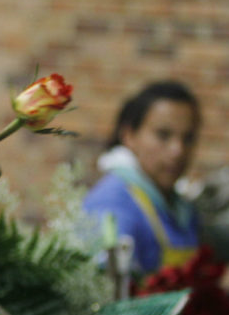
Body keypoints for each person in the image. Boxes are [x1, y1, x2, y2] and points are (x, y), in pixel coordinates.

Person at [83, 80, 202, 275]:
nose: (178, 151)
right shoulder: (112, 204)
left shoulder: (180, 207)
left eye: (188, 138)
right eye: (163, 135)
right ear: (129, 135)